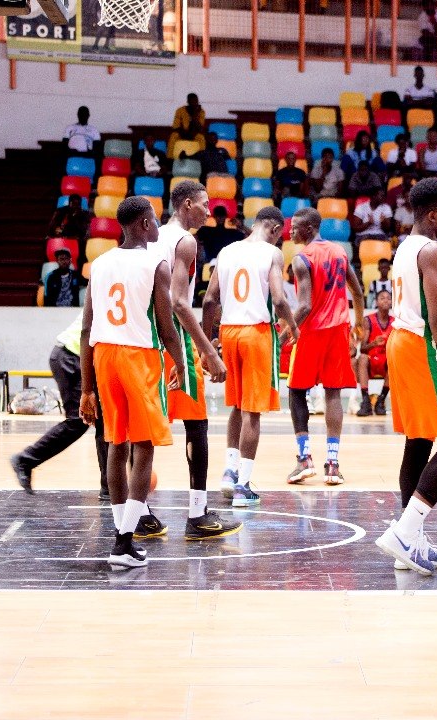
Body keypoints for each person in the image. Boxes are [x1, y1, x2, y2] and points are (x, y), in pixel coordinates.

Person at [79, 196, 186, 568]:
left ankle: (120, 534)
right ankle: (124, 541)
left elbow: (86, 328)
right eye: (154, 220)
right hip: (138, 356)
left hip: (103, 355)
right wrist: (181, 365)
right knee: (144, 445)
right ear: (144, 224)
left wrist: (86, 389)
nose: (157, 225)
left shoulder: (99, 264)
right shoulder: (156, 263)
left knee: (116, 442)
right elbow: (166, 328)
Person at [373, 177, 437, 574]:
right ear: (433, 214)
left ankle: (411, 541)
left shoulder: (404, 247)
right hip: (424, 347)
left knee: (418, 440)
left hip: (401, 341)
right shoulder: (432, 250)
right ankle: (405, 532)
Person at [152, 180, 239, 539]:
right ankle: (197, 515)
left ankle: (136, 513)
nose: (209, 210)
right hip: (175, 337)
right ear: (187, 204)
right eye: (205, 204)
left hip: (149, 337)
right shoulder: (184, 241)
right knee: (196, 424)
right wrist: (208, 350)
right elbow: (178, 302)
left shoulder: (152, 236)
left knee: (144, 426)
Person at [203, 206, 298, 507]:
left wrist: (206, 345)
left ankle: (230, 471)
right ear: (276, 230)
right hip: (256, 332)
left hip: (229, 331)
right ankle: (243, 487)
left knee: (237, 405)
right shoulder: (272, 253)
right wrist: (293, 325)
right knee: (252, 411)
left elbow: (209, 300)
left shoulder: (227, 251)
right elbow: (279, 299)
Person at [286, 208, 365, 485]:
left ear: (308, 229)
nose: (290, 231)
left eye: (295, 227)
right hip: (338, 330)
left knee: (296, 391)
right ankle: (332, 464)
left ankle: (304, 458)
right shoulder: (340, 252)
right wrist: (359, 323)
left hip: (311, 331)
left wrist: (284, 334)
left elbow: (305, 306)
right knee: (333, 393)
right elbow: (357, 291)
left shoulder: (302, 258)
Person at [10, 312, 110, 499]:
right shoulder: (107, 297)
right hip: (71, 357)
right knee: (78, 421)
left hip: (78, 357)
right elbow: (88, 332)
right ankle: (25, 460)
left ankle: (109, 488)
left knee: (104, 420)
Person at [355, 289, 393, 416]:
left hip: (386, 362)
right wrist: (374, 344)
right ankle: (366, 401)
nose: (386, 300)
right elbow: (362, 348)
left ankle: (381, 400)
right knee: (362, 358)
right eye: (382, 298)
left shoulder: (395, 322)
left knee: (395, 361)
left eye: (388, 298)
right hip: (371, 361)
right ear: (376, 302)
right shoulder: (368, 320)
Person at [168, 93, 205, 158]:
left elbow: (200, 129)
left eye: (196, 101)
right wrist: (185, 134)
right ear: (188, 102)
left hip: (194, 133)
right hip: (182, 133)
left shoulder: (201, 112)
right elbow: (176, 127)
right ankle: (170, 158)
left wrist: (195, 116)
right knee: (173, 136)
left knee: (201, 138)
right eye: (192, 101)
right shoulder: (180, 110)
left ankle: (202, 159)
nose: (195, 103)